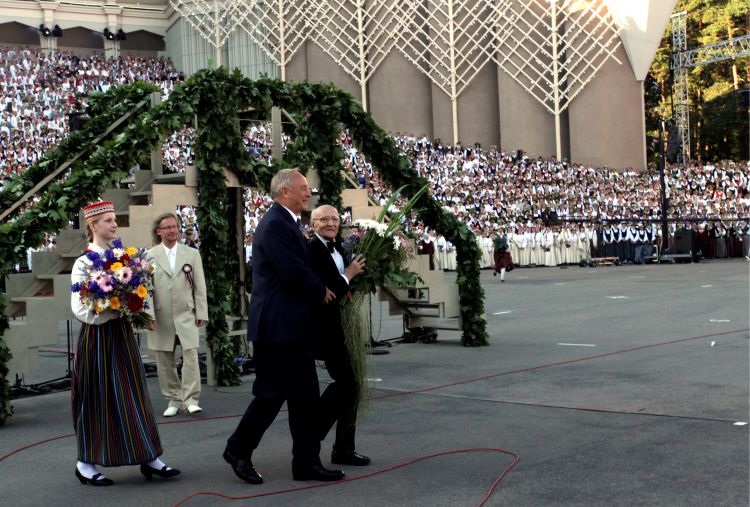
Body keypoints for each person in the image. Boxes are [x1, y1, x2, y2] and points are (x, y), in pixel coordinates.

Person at [224, 169, 343, 484]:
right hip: (277, 328)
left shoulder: (286, 221)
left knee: (305, 398)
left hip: (292, 327)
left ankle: (306, 463)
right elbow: (292, 270)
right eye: (303, 188)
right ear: (284, 191)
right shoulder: (276, 223)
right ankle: (238, 448)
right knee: (270, 395)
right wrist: (321, 290)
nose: (308, 193)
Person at [70, 201, 180, 486]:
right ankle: (85, 463)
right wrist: (111, 306)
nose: (114, 224)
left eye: (114, 219)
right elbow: (80, 308)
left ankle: (149, 456)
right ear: (93, 225)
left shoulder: (122, 258)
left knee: (133, 393)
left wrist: (133, 304)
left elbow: (137, 291)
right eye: (107, 220)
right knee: (96, 397)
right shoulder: (84, 262)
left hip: (121, 334)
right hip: (97, 337)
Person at [308, 204, 370, 466]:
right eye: (324, 219)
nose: (331, 223)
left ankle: (343, 448)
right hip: (323, 329)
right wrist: (349, 274)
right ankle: (313, 432)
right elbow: (326, 292)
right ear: (313, 224)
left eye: (334, 219)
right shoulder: (311, 251)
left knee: (351, 386)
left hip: (341, 326)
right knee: (348, 384)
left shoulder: (341, 249)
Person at [147, 212, 208, 417]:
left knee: (190, 356)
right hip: (161, 316)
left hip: (187, 313)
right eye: (168, 227)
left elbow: (200, 286)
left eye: (175, 227)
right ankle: (173, 399)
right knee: (165, 359)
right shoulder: (149, 256)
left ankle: (191, 399)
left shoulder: (192, 254)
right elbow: (145, 289)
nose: (173, 230)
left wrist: (202, 311)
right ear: (159, 231)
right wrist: (148, 316)